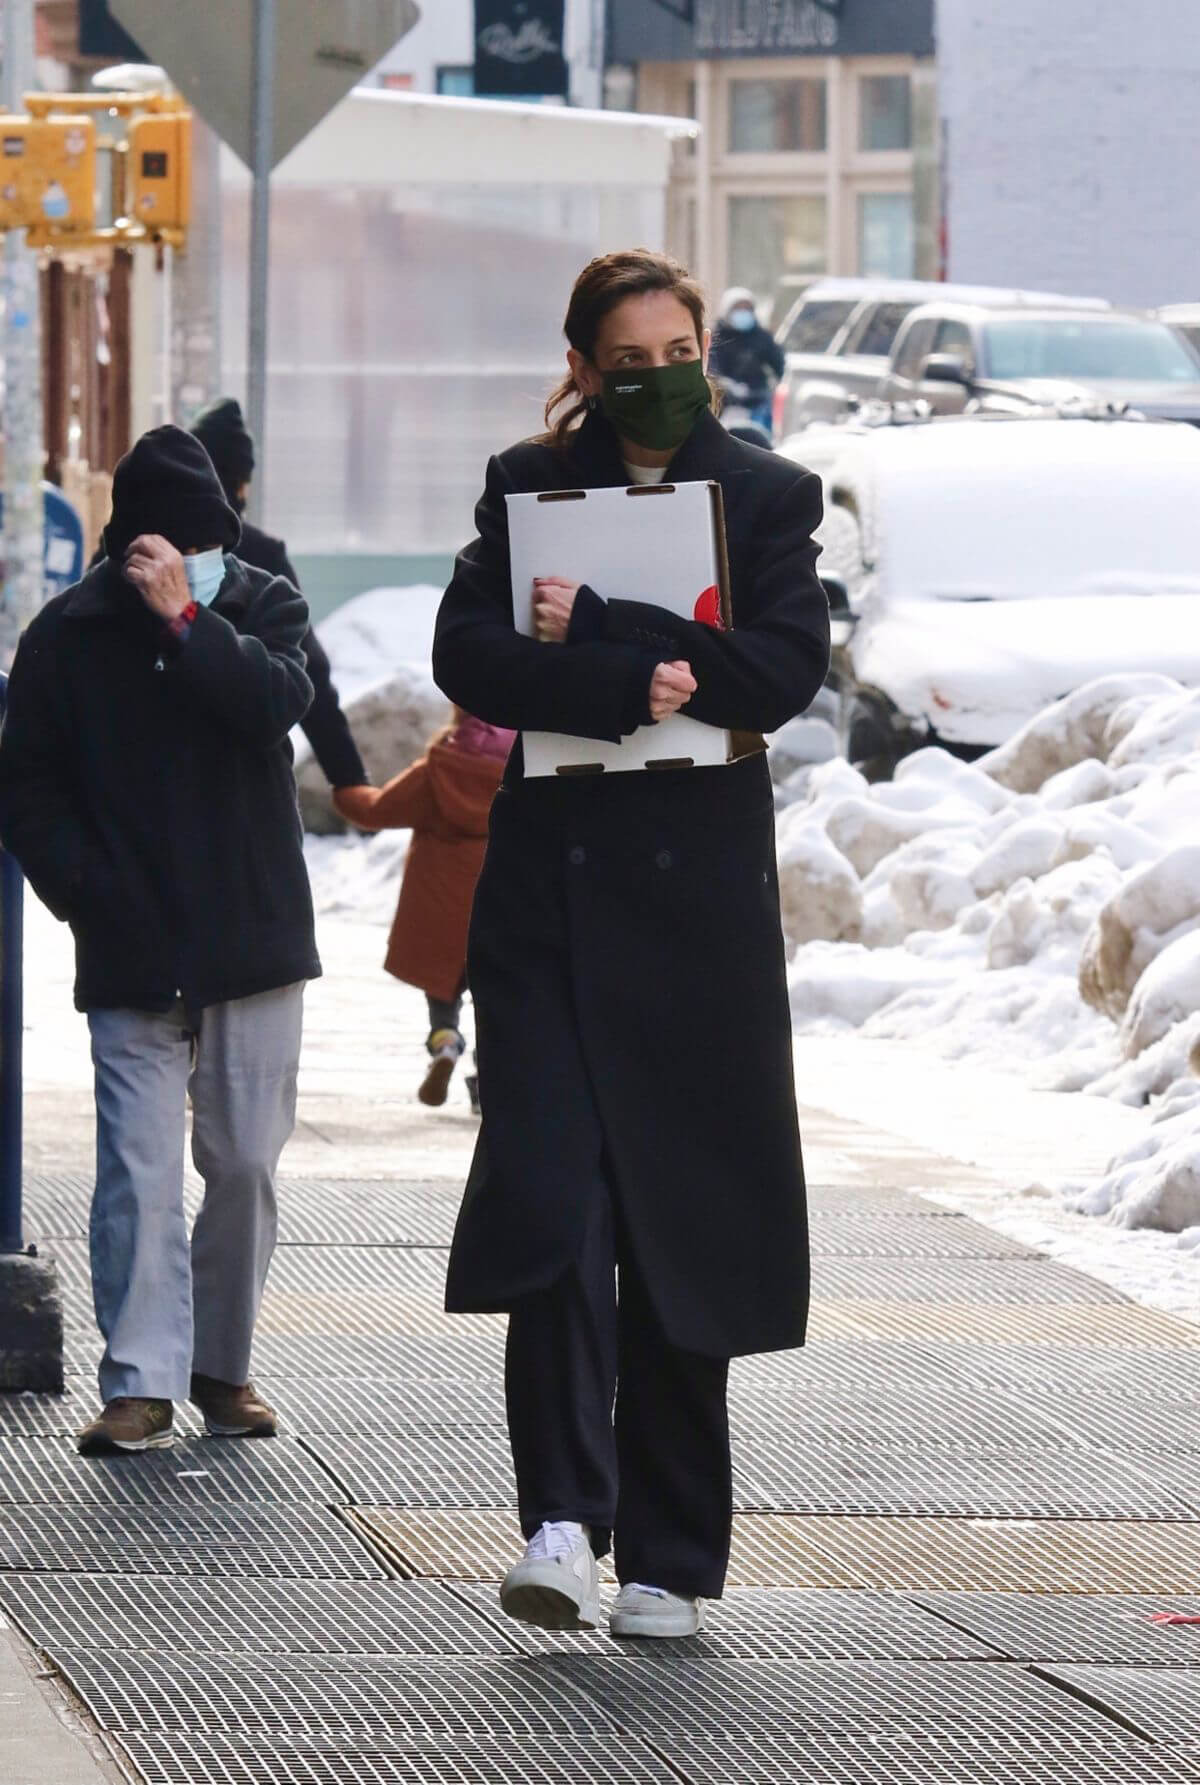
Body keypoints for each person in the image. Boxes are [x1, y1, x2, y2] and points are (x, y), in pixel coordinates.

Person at [431, 250, 830, 1639]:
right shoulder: (526, 486)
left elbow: (777, 671)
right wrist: (628, 676)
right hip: (547, 910)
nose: (661, 369)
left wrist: (611, 630)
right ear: (588, 367)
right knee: (558, 1208)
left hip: (699, 926)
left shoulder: (770, 496)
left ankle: (668, 1553)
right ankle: (558, 1518)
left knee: (679, 1227)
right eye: (633, 350)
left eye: (683, 343)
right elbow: (470, 657)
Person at [0, 425, 320, 1456]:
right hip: (130, 939)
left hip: (253, 932)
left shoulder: (258, 601)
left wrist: (190, 622)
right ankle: (138, 1380)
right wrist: (86, 890)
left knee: (245, 1166)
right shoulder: (69, 633)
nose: (185, 564)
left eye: (200, 549)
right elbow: (28, 782)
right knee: (136, 1168)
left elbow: (279, 700)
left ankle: (223, 1366)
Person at [333, 708, 514, 1111]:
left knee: (443, 995)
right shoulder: (521, 765)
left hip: (439, 908)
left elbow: (375, 810)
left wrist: (343, 785)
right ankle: (489, 1080)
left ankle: (445, 1043)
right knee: (494, 1002)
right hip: (499, 905)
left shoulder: (440, 767)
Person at [189, 397, 367, 794]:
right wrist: (348, 779)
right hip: (244, 787)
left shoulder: (131, 554)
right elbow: (309, 671)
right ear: (238, 483)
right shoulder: (262, 555)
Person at [708, 286, 785, 438]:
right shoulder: (717, 337)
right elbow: (711, 367)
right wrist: (727, 385)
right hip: (726, 402)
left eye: (747, 309)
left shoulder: (760, 336)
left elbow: (780, 364)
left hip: (758, 399)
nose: (743, 313)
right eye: (738, 308)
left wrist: (779, 385)